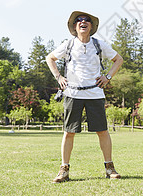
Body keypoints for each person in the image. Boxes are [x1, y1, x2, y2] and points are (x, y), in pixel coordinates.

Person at [46, 11, 124, 183]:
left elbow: (118, 59)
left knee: (102, 131)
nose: (83, 22)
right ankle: (64, 170)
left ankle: (109, 168)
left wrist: (108, 77)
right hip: (72, 93)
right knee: (68, 133)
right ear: (75, 26)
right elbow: (50, 58)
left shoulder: (99, 45)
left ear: (91, 26)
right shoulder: (68, 45)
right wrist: (59, 77)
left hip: (95, 93)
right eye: (79, 20)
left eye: (87, 20)